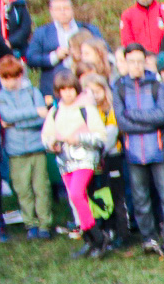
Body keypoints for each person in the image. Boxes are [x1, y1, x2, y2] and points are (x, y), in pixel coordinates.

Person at [111, 41, 164, 254]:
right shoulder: (119, 87)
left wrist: (133, 115)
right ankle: (148, 238)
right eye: (131, 61)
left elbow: (161, 116)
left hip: (159, 149)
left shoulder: (156, 85)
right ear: (125, 62)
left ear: (145, 62)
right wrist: (146, 121)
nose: (136, 65)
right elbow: (121, 122)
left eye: (139, 61)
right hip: (133, 152)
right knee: (140, 198)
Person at [43, 70, 113, 257]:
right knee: (76, 200)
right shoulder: (55, 111)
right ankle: (90, 240)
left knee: (76, 193)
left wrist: (79, 138)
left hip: (85, 159)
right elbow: (46, 135)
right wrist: (52, 144)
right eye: (63, 90)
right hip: (65, 161)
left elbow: (100, 137)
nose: (67, 93)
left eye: (71, 89)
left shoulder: (86, 109)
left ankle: (99, 237)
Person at [0, 56, 54, 238]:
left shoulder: (33, 92)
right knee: (23, 190)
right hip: (16, 152)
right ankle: (30, 223)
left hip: (36, 148)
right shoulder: (1, 96)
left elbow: (42, 119)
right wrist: (34, 112)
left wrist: (15, 124)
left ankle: (45, 224)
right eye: (5, 78)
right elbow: (7, 116)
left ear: (20, 75)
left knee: (41, 188)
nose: (9, 82)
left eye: (13, 77)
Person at [27, 0, 103, 98]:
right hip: (55, 87)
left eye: (66, 8)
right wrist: (54, 57)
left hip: (87, 84)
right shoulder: (42, 33)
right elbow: (31, 59)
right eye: (58, 9)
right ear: (51, 11)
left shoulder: (89, 29)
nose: (63, 12)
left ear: (72, 9)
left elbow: (104, 51)